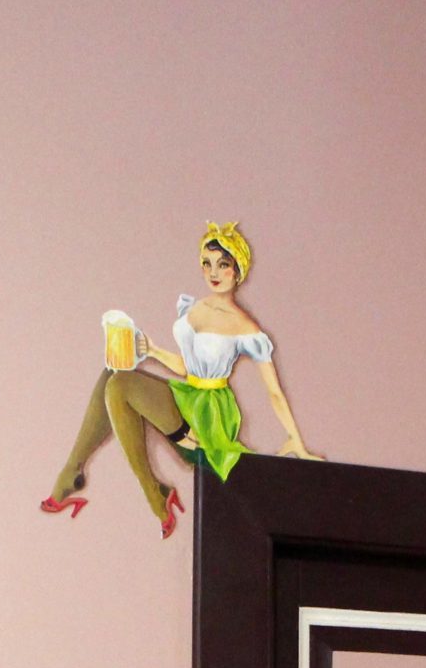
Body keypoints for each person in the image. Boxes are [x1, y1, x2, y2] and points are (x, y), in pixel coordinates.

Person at [42, 222, 322, 538]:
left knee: (120, 386)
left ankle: (152, 492)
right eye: (207, 263)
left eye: (223, 264)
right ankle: (75, 471)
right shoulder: (196, 309)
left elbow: (274, 392)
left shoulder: (244, 327)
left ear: (237, 271)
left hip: (209, 415)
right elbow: (189, 368)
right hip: (188, 393)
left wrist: (296, 441)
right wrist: (153, 351)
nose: (214, 272)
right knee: (112, 373)